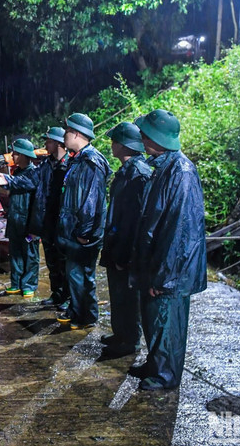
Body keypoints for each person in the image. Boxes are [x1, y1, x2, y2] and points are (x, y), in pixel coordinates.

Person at [130, 109, 207, 391]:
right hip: (156, 265)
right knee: (153, 320)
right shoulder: (163, 166)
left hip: (170, 271)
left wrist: (164, 278)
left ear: (156, 138)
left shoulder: (181, 172)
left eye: (145, 133)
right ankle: (155, 364)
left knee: (167, 323)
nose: (140, 137)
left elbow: (180, 232)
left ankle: (166, 375)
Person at [0, 127, 71, 307]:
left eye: (49, 141)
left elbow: (32, 185)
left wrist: (9, 181)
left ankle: (65, 298)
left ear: (59, 143)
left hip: (54, 220)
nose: (45, 145)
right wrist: (9, 181)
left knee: (56, 260)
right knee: (51, 261)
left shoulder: (68, 165)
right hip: (40, 220)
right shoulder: (45, 165)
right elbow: (30, 182)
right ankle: (56, 295)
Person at [98, 122, 151, 360]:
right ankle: (120, 333)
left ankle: (130, 340)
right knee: (117, 294)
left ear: (123, 145)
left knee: (128, 297)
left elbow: (135, 219)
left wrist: (125, 255)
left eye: (114, 141)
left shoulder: (138, 174)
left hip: (125, 248)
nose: (112, 145)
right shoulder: (126, 171)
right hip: (116, 242)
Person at [56, 113, 111, 329]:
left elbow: (90, 201)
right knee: (77, 276)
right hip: (74, 231)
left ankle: (85, 317)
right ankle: (80, 311)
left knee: (81, 276)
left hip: (82, 233)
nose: (64, 136)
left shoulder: (90, 162)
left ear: (77, 133)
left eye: (67, 131)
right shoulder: (77, 159)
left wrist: (84, 233)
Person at [0, 138, 41, 298]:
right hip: (15, 220)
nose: (12, 156)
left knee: (30, 255)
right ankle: (16, 283)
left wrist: (8, 179)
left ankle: (29, 285)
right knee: (15, 253)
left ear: (23, 156)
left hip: (28, 223)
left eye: (16, 154)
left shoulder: (34, 173)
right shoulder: (18, 173)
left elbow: (26, 184)